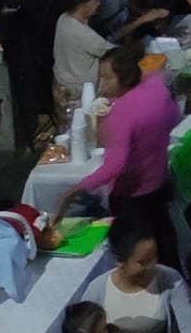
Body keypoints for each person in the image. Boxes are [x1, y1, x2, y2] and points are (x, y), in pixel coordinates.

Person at [55, 45, 184, 271]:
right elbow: (174, 116)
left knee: (134, 249)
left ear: (124, 78)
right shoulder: (156, 86)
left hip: (132, 193)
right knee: (164, 237)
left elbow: (116, 164)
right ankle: (180, 285)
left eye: (106, 78)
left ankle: (142, 292)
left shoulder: (122, 114)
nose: (101, 85)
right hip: (159, 179)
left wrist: (76, 189)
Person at [72, 217, 191, 333]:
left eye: (154, 256)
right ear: (119, 260)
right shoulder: (97, 289)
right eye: (143, 262)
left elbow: (188, 325)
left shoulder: (168, 278)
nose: (152, 265)